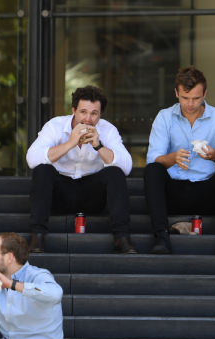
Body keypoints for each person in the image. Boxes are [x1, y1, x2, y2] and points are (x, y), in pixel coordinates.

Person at [144, 66, 215, 255]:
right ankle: (162, 236)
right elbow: (154, 159)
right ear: (176, 93)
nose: (190, 103)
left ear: (205, 94)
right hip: (174, 191)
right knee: (152, 170)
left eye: (196, 98)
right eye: (185, 97)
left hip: (207, 192)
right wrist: (172, 158)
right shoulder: (164, 117)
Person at [26, 85, 136, 254]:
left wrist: (98, 146)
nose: (87, 119)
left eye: (94, 114)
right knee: (43, 170)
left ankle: (122, 239)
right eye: (83, 112)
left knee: (114, 171)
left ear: (100, 115)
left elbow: (127, 167)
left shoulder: (108, 130)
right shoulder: (55, 126)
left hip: (91, 195)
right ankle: (38, 237)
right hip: (59, 194)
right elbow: (32, 159)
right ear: (73, 110)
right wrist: (70, 143)